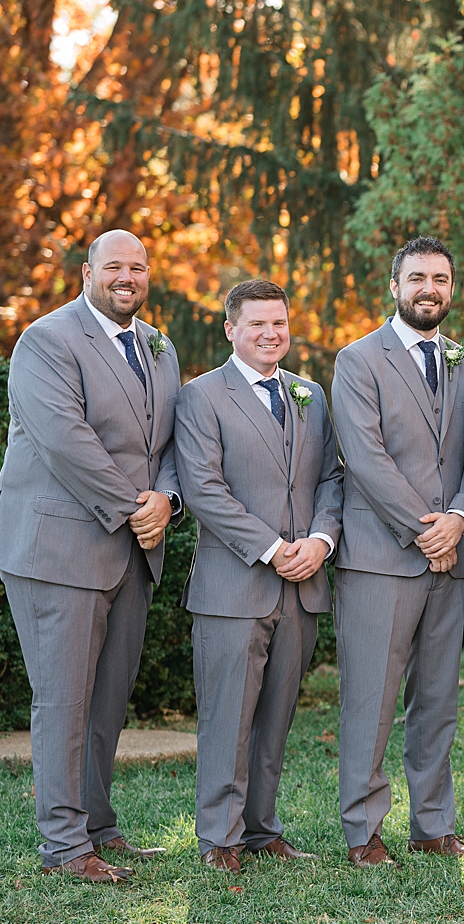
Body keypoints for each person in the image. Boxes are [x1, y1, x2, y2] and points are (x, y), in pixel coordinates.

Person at [0, 229, 183, 882]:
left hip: (132, 549)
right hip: (56, 548)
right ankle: (65, 847)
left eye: (139, 267)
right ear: (88, 272)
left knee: (107, 698)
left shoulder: (159, 345)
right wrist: (136, 505)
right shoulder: (45, 340)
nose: (128, 276)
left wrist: (169, 501)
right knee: (64, 699)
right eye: (115, 266)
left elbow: (175, 440)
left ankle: (98, 825)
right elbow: (68, 441)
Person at [173, 278, 343, 872]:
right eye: (256, 325)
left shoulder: (310, 394)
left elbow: (330, 478)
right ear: (231, 330)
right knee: (228, 716)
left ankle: (261, 827)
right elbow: (203, 490)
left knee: (276, 715)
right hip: (234, 586)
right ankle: (219, 837)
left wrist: (321, 541)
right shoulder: (201, 397)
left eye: (279, 323)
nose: (270, 334)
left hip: (303, 584)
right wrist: (274, 548)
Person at [329, 237, 464, 866]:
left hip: (452, 555)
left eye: (441, 279)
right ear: (395, 286)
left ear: (452, 289)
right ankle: (363, 831)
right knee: (371, 698)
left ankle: (433, 824)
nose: (430, 288)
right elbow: (365, 457)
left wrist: (461, 519)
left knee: (438, 698)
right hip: (381, 555)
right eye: (418, 277)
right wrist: (426, 529)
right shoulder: (358, 359)